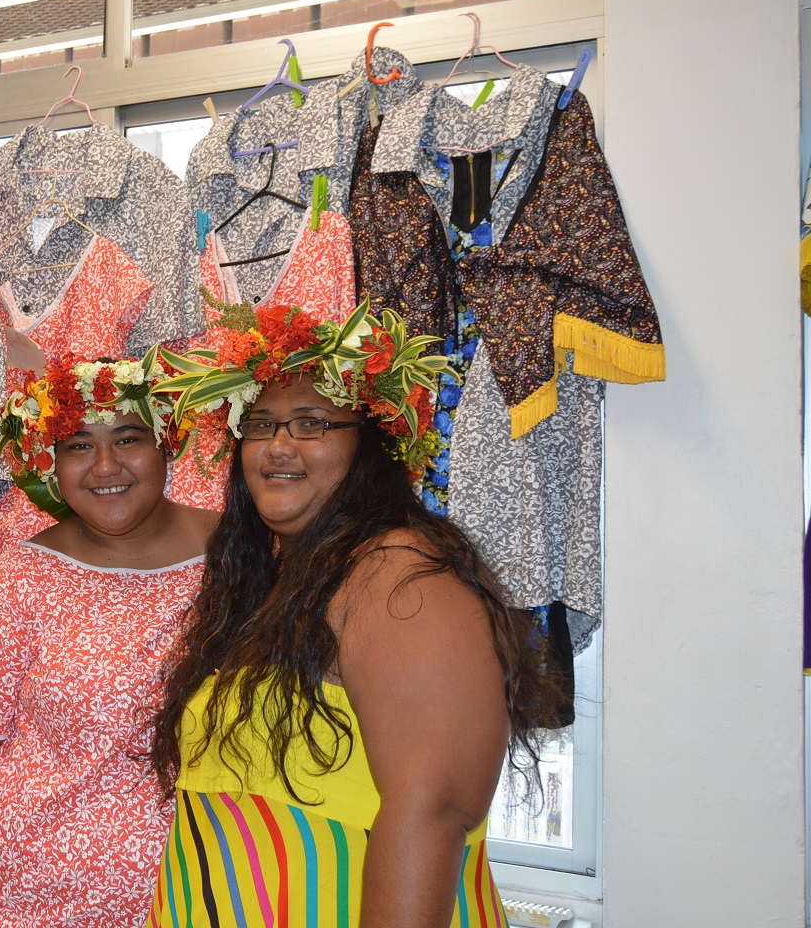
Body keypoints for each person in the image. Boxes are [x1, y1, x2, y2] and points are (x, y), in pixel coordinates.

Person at [148, 301, 564, 927]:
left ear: (371, 447)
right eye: (260, 424)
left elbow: (433, 811)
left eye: (311, 423)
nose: (278, 445)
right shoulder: (276, 582)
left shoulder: (399, 576)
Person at [0, 353, 218, 928]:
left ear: (170, 442)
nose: (105, 465)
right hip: (31, 898)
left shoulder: (244, 556)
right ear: (52, 461)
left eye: (129, 438)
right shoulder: (15, 581)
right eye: (79, 445)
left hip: (207, 893)